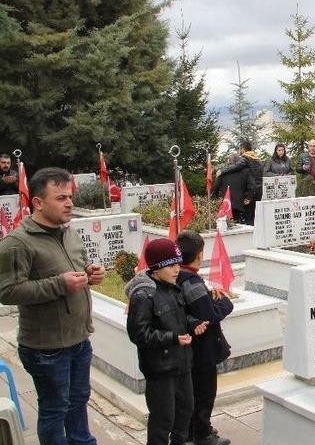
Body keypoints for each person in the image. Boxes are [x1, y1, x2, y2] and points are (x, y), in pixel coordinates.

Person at [0, 167, 105, 445]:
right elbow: (8, 292)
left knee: (79, 401)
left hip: (79, 339)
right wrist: (60, 284)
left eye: (69, 196)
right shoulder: (17, 243)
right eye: (60, 198)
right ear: (38, 203)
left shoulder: (68, 233)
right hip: (47, 348)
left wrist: (90, 273)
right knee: (55, 409)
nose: (69, 203)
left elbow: (76, 267)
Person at [126, 238, 209, 445]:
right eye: (171, 265)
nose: (176, 270)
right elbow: (139, 334)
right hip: (160, 369)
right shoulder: (144, 295)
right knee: (163, 420)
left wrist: (193, 324)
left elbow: (179, 317)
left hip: (182, 364)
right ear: (156, 268)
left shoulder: (173, 287)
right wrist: (171, 338)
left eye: (178, 264)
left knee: (185, 413)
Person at [175, 231, 234, 445]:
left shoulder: (176, 276)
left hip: (189, 350)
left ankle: (192, 431)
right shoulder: (191, 282)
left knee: (192, 392)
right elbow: (208, 316)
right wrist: (225, 302)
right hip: (202, 350)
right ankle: (202, 434)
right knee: (204, 393)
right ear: (199, 254)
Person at [217, 140, 263, 225]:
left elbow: (236, 166)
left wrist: (222, 171)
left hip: (250, 192)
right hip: (259, 192)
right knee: (254, 216)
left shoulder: (246, 158)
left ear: (242, 149)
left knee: (247, 218)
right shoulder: (258, 160)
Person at [212, 154, 248, 224]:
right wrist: (248, 197)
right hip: (239, 203)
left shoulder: (222, 172)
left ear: (229, 161)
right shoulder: (245, 172)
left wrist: (215, 198)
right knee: (238, 224)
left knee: (225, 223)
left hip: (225, 202)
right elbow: (251, 186)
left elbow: (216, 186)